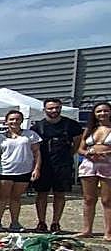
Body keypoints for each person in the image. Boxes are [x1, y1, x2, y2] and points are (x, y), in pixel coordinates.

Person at [31, 98, 83, 233]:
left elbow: (77, 143)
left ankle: (56, 223)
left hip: (63, 165)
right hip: (44, 165)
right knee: (41, 194)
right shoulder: (37, 127)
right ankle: (41, 222)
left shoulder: (71, 125)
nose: (54, 110)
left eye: (57, 108)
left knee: (60, 194)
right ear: (44, 110)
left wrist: (68, 155)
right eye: (51, 108)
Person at [0, 111, 42, 232]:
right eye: (11, 119)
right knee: (2, 197)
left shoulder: (30, 135)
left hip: (23, 171)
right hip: (4, 171)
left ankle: (15, 222)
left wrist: (36, 169)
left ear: (21, 120)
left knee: (16, 198)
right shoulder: (0, 137)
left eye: (17, 119)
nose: (14, 122)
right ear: (6, 121)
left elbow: (37, 153)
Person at [76, 100, 111, 240]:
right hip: (89, 164)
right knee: (88, 199)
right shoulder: (90, 129)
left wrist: (107, 153)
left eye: (105, 110)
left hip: (108, 164)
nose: (102, 113)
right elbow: (80, 148)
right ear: (94, 114)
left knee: (107, 200)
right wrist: (86, 153)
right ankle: (87, 229)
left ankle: (108, 232)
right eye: (99, 111)